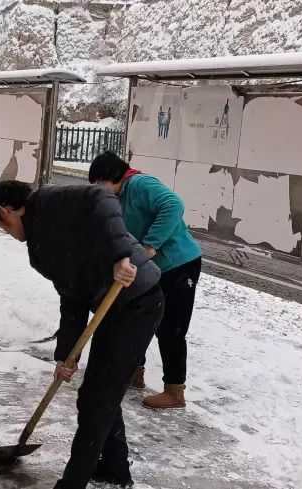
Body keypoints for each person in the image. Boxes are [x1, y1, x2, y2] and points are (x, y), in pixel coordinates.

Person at [0, 180, 164, 489]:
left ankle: (74, 482)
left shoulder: (53, 200)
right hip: (112, 308)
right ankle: (114, 470)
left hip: (139, 300)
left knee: (96, 398)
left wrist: (122, 254)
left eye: (2, 226)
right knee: (101, 392)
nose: (9, 234)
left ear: (6, 211)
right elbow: (72, 299)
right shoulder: (39, 252)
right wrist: (67, 354)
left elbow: (103, 198)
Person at [89, 151, 202, 410]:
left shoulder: (140, 184)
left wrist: (151, 245)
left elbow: (174, 205)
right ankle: (133, 373)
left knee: (171, 327)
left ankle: (174, 391)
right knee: (135, 316)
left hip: (178, 264)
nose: (98, 191)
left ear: (112, 176)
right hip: (150, 268)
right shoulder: (119, 196)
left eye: (99, 184)